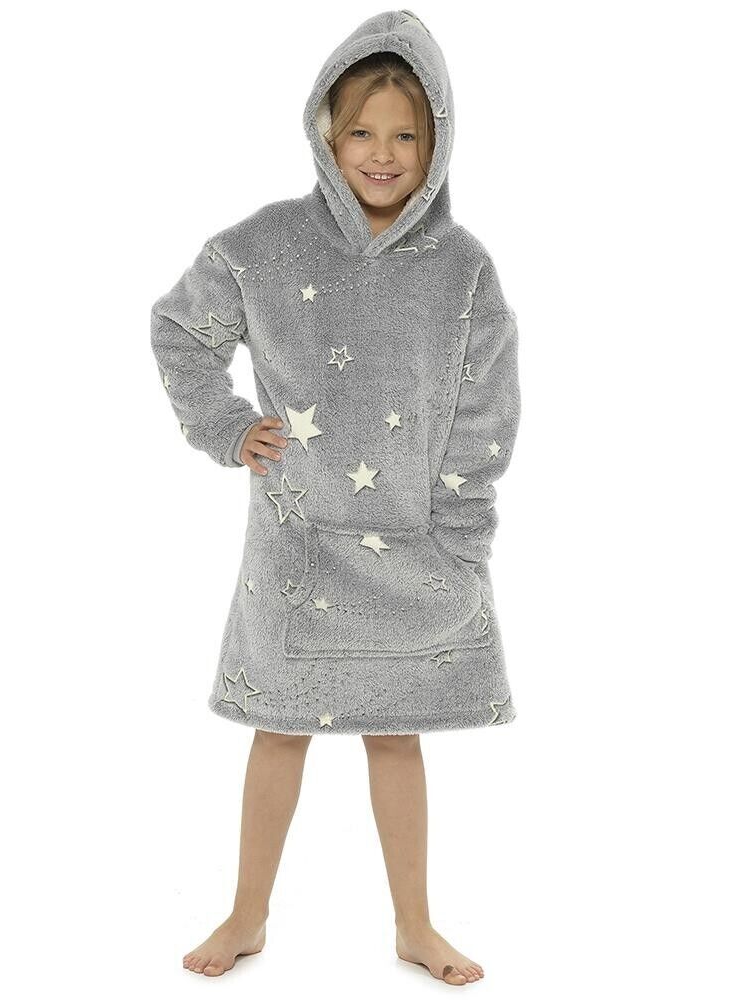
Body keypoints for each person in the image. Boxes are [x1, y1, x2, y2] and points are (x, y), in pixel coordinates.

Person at [151, 9, 521, 985]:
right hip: (297, 545)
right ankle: (246, 913)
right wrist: (225, 425)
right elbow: (181, 328)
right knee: (279, 729)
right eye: (361, 130)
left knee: (396, 736)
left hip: (415, 546)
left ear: (437, 141)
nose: (382, 154)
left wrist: (462, 535)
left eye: (406, 134)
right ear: (326, 130)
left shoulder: (462, 269)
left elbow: (485, 409)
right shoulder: (267, 246)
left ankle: (415, 924)